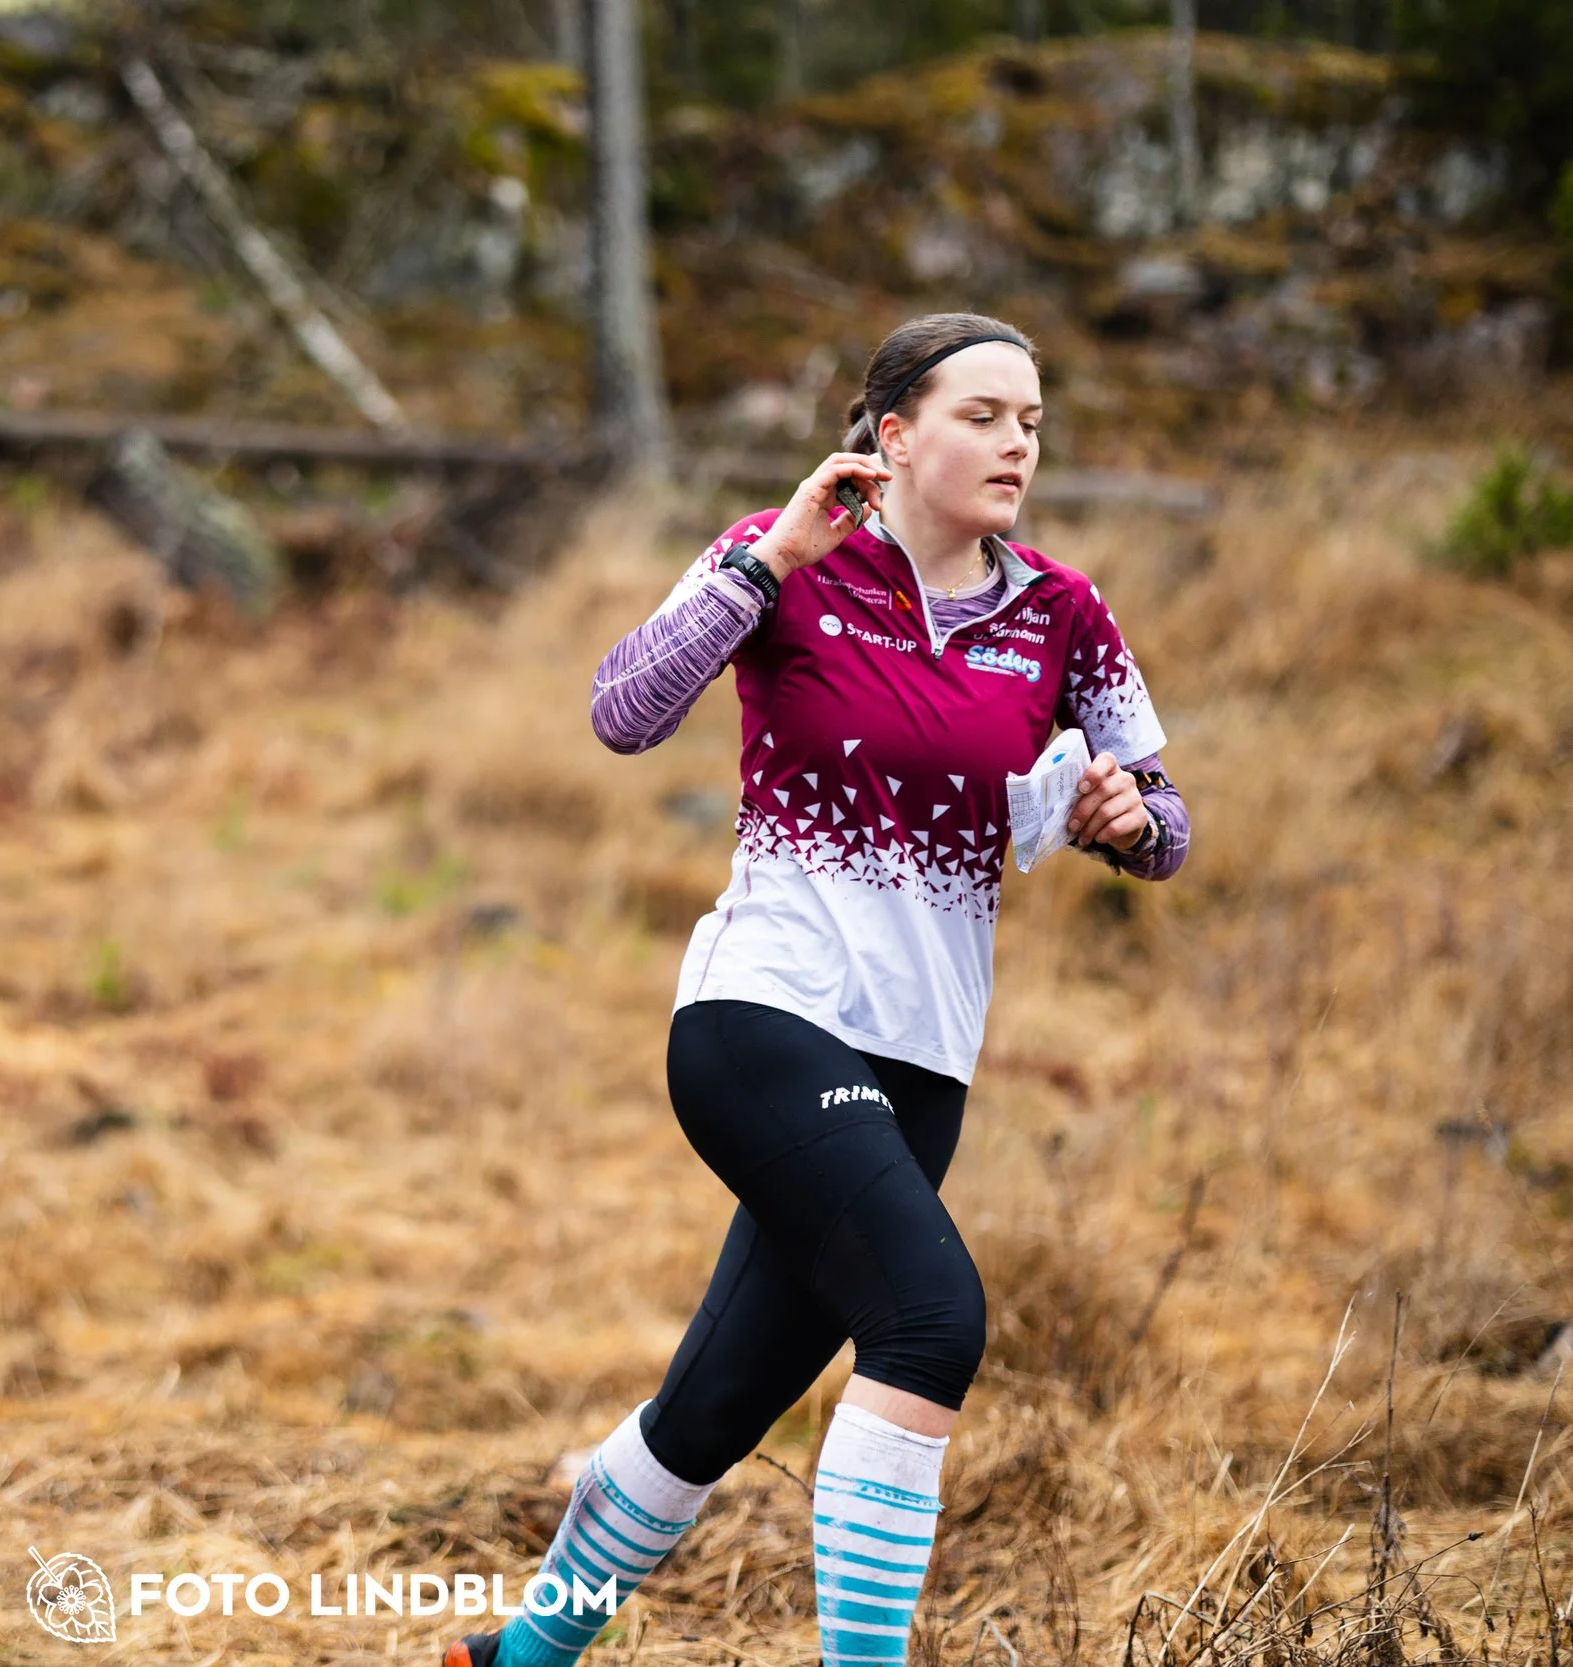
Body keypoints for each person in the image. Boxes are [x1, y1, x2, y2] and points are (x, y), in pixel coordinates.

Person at [441, 314, 1189, 1667]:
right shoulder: (781, 556)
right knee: (929, 1317)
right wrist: (770, 562)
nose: (1018, 441)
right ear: (892, 432)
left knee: (713, 1406)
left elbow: (1170, 820)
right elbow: (622, 708)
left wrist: (1125, 818)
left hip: (923, 1064)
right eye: (983, 414)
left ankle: (520, 1657)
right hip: (764, 1015)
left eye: (1033, 418)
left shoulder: (1062, 613)